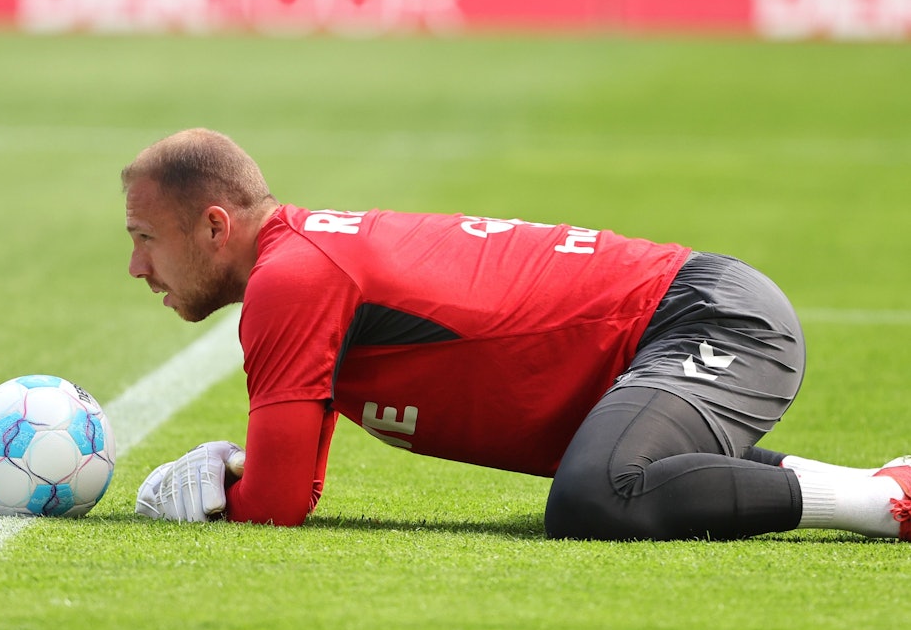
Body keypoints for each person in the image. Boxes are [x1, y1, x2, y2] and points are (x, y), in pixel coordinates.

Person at [122, 128, 911, 542]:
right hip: (676, 330)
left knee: (597, 495)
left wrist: (202, 488)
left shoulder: (291, 279)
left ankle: (885, 500)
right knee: (614, 471)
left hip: (707, 319)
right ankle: (884, 482)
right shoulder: (300, 266)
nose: (135, 266)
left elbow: (278, 506)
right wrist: (233, 466)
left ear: (215, 225)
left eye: (145, 239)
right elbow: (289, 485)